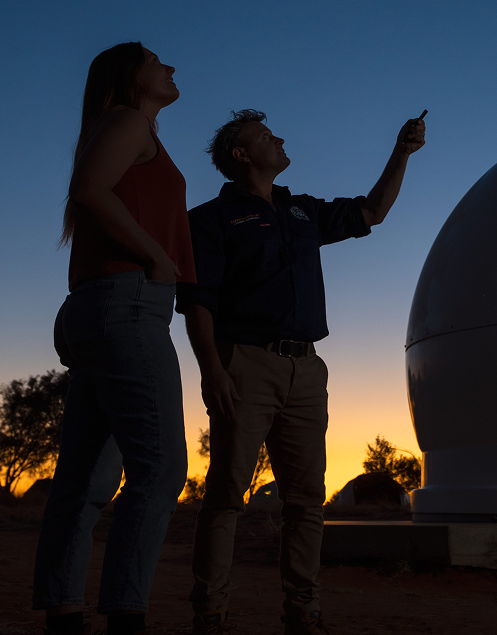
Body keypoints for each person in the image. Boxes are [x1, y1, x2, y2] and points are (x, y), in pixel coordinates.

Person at [177, 108, 427, 635]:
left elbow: (371, 213)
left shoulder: (301, 211)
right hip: (244, 363)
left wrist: (402, 152)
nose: (281, 138)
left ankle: (303, 609)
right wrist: (213, 372)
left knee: (307, 500)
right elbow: (198, 303)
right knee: (226, 495)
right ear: (241, 156)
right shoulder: (209, 220)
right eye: (266, 136)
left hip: (307, 370)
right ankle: (211, 610)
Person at [33, 42, 197, 635]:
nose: (171, 66)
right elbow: (90, 190)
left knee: (85, 479)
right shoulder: (129, 122)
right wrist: (155, 254)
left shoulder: (124, 126)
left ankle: (63, 611)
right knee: (160, 470)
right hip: (127, 303)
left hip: (102, 307)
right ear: (132, 77)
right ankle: (126, 616)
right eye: (158, 61)